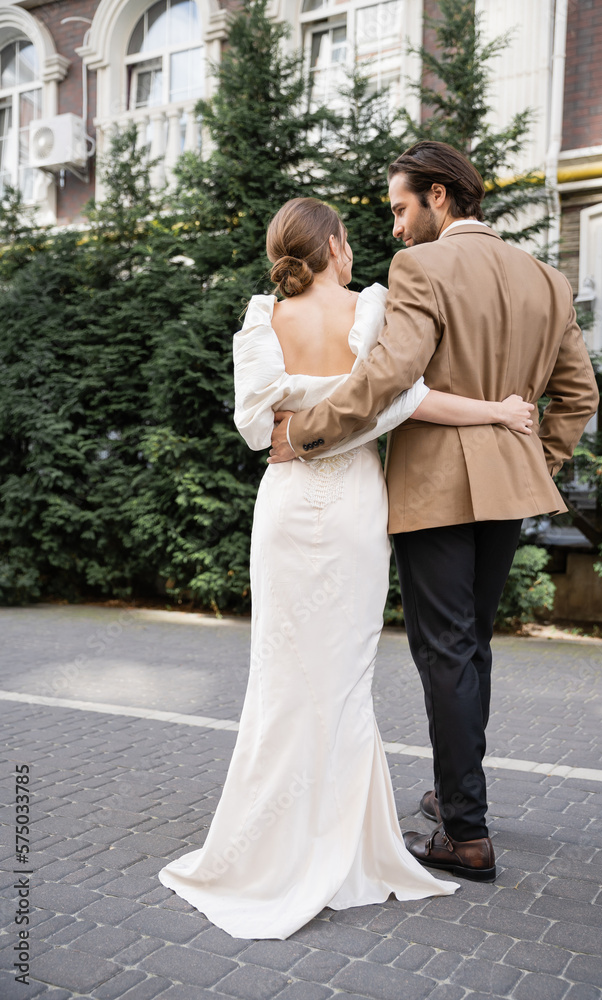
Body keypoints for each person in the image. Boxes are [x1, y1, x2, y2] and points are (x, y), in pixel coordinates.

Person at [158, 196, 536, 939]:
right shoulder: (371, 308)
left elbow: (254, 426)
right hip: (359, 502)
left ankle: (264, 845)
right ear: (333, 245)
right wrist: (496, 412)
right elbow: (401, 400)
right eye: (348, 239)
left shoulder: (262, 319)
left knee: (278, 671)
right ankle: (348, 849)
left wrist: (299, 427)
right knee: (344, 677)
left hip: (288, 504)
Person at [270, 143, 600, 883]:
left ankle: (465, 831)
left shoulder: (422, 269)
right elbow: (578, 397)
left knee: (445, 651)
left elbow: (389, 374)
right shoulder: (548, 279)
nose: (393, 229)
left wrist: (306, 431)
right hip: (509, 494)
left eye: (398, 208)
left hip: (435, 492)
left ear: (440, 198)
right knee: (470, 646)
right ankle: (458, 798)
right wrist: (534, 460)